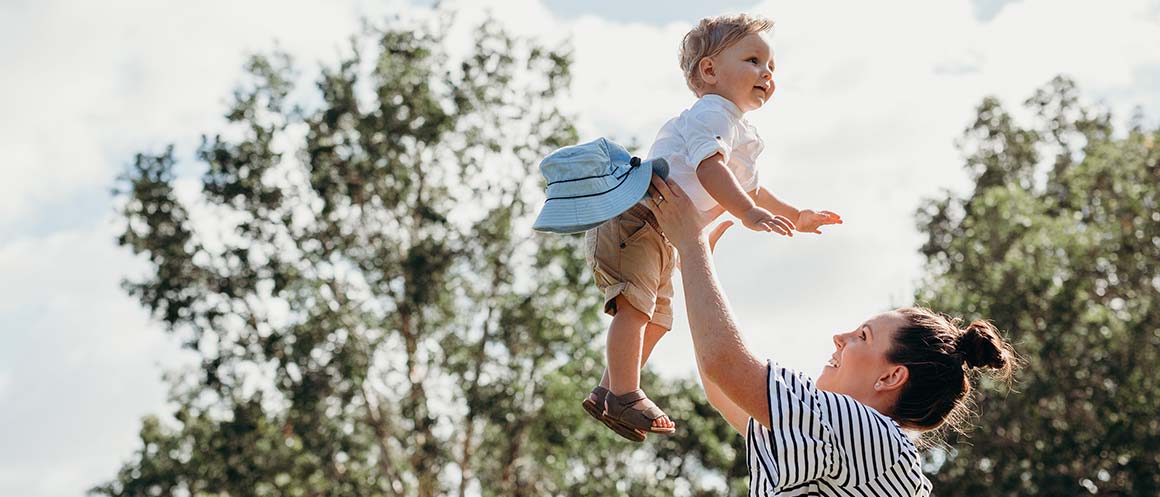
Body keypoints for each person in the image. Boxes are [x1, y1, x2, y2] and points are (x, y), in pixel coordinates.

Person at [643, 175, 1017, 496]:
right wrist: (694, 262)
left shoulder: (872, 436)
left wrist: (692, 245)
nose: (839, 337)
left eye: (863, 337)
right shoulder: (846, 443)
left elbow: (724, 364)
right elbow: (721, 383)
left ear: (890, 376)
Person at [581, 13, 843, 442]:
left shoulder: (739, 129)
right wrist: (745, 213)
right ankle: (625, 392)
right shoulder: (711, 114)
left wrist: (797, 215)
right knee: (636, 309)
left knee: (659, 320)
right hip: (638, 218)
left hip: (663, 232)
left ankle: (610, 390)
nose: (767, 73)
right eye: (754, 60)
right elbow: (710, 170)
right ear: (709, 70)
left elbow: (752, 189)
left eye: (771, 67)